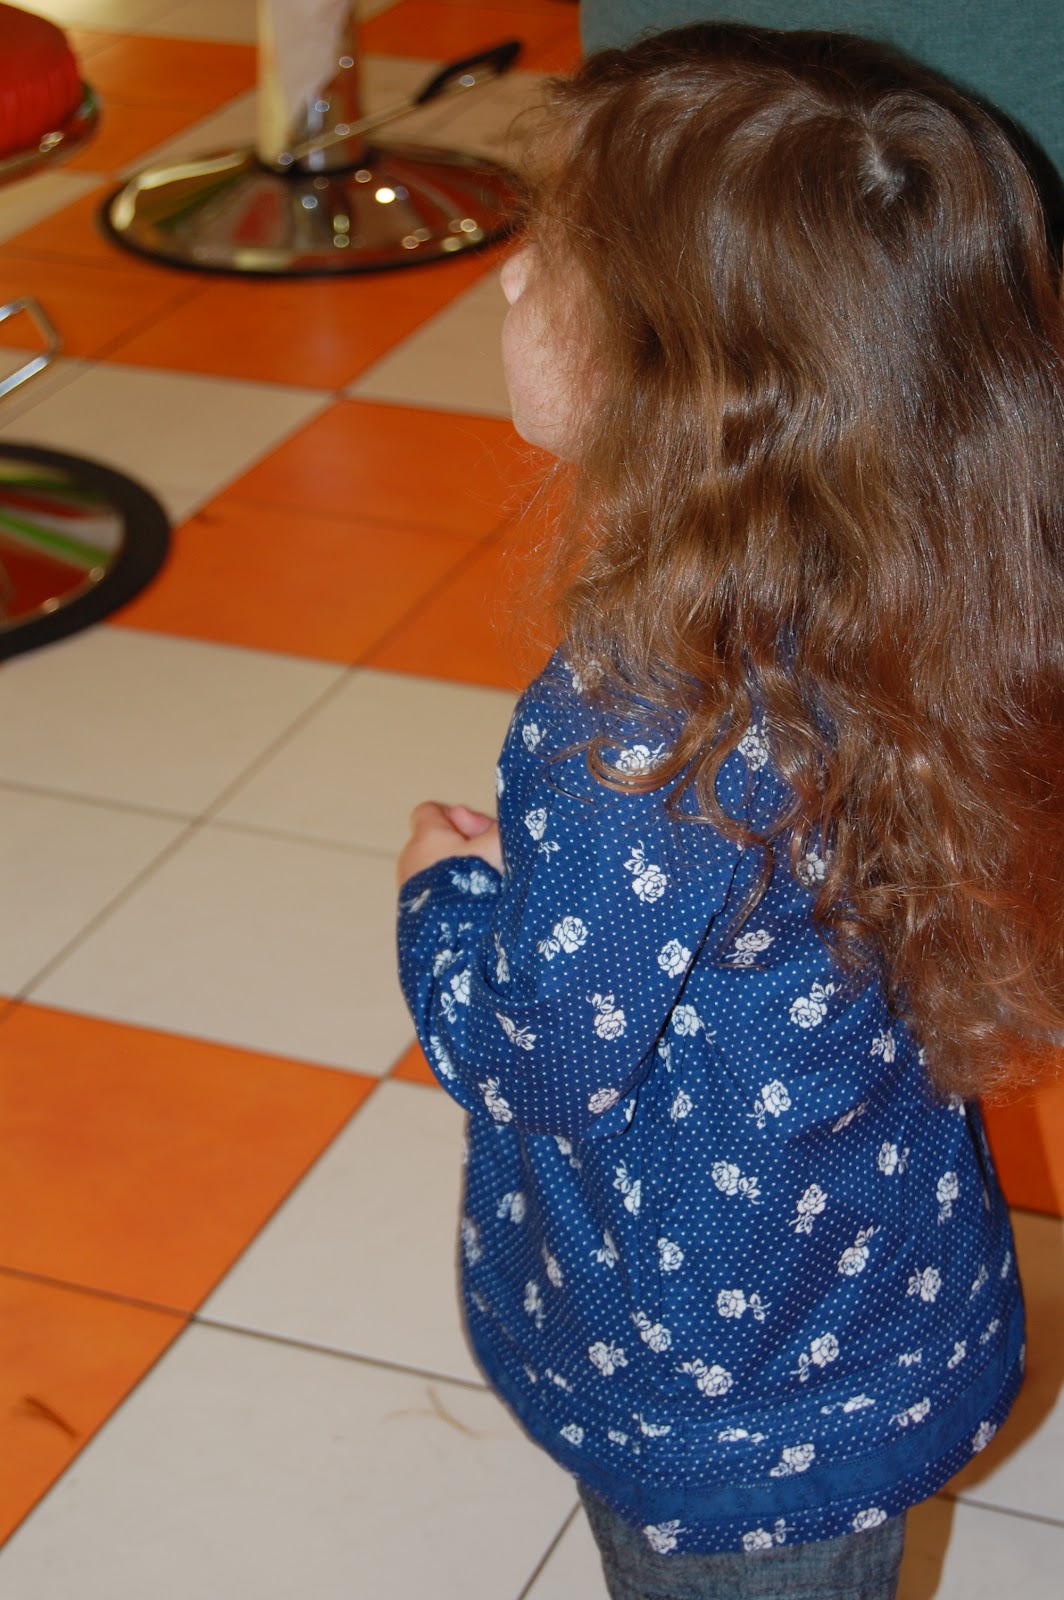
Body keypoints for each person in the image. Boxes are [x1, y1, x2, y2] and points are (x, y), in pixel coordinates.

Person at [396, 25, 1064, 1599]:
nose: (508, 278)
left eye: (552, 262)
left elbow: (542, 1057)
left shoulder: (636, 728)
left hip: (722, 1376)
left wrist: (444, 903)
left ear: (689, 389)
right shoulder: (929, 594)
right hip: (870, 1280)